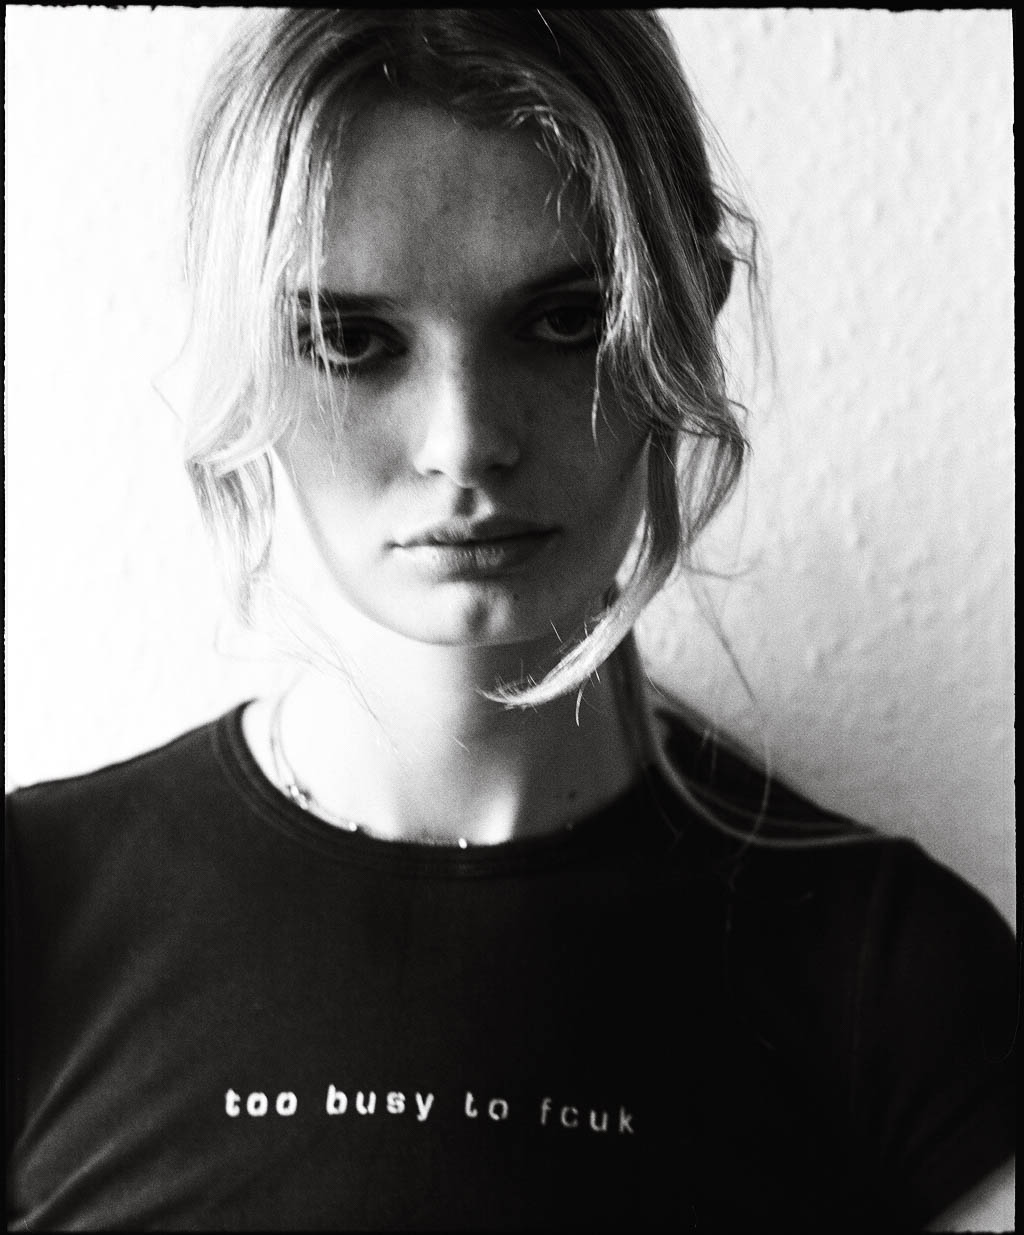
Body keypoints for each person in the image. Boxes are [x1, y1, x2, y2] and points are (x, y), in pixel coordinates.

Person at [5, 9, 1014, 1232]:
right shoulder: (36, 912)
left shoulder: (894, 977)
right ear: (242, 348)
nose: (465, 440)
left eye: (565, 320)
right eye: (350, 339)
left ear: (689, 312)